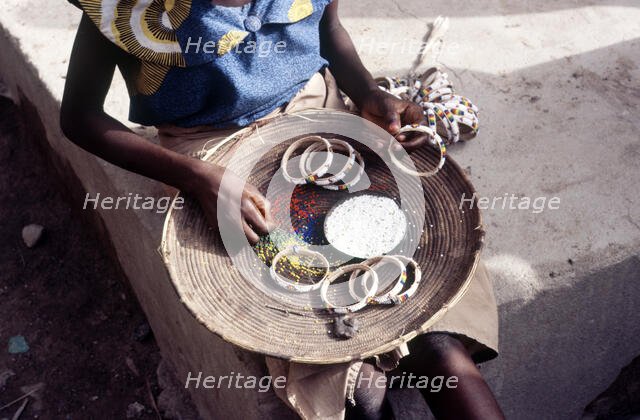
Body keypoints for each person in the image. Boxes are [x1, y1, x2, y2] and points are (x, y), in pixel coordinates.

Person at [61, 1, 504, 418]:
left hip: (319, 114)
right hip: (213, 153)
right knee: (343, 365)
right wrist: (194, 178)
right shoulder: (126, 8)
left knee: (432, 317)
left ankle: (431, 347)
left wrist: (367, 92)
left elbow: (328, 31)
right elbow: (80, 117)